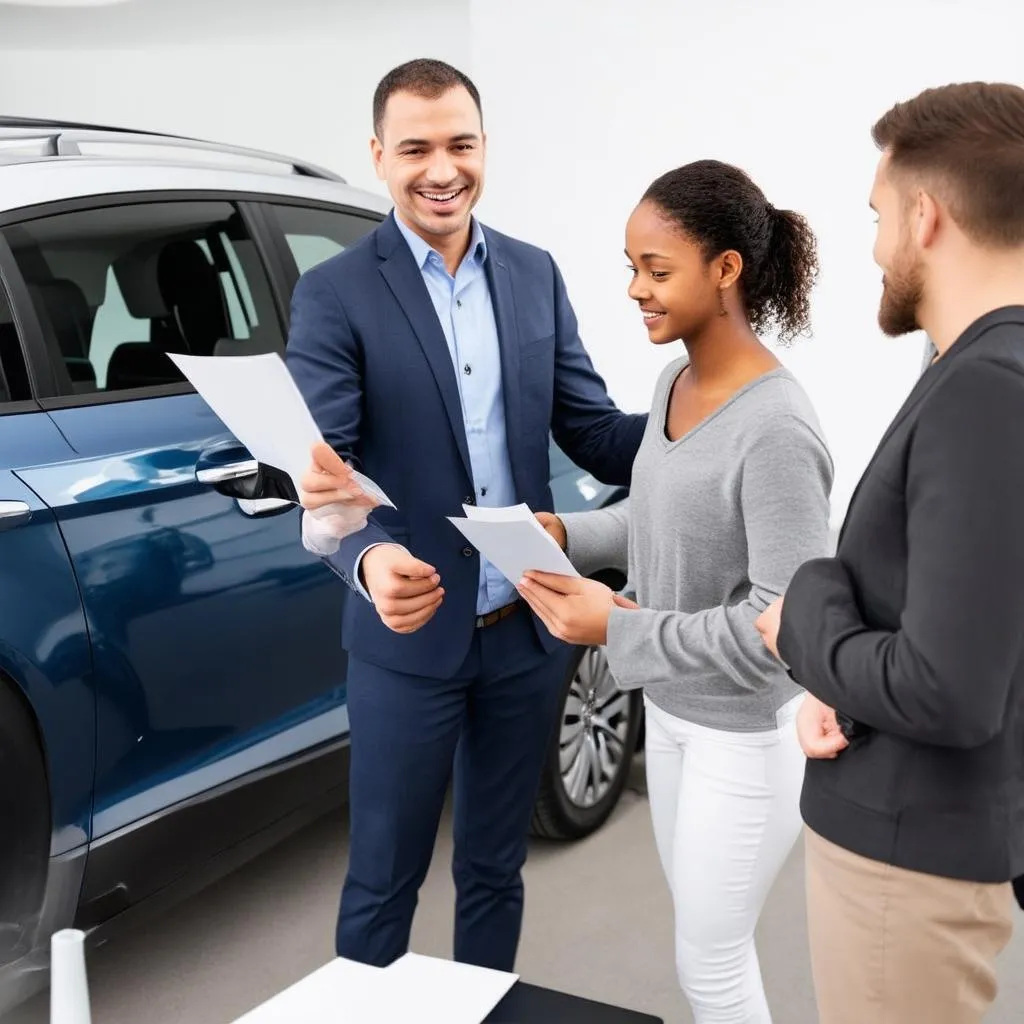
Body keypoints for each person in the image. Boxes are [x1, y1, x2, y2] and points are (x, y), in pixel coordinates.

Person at [285, 58, 646, 972]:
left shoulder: (532, 272)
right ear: (378, 155)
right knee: (383, 881)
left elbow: (597, 432)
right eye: (415, 149)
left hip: (527, 630)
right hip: (410, 638)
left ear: (484, 147)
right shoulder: (336, 294)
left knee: (496, 869)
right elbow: (329, 477)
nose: (440, 169)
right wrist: (368, 561)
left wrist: (709, 412)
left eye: (460, 144)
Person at [517, 160, 833, 1023]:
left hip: (747, 738)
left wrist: (613, 630)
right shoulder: (673, 385)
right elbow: (653, 524)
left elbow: (782, 622)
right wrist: (569, 535)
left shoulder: (776, 430)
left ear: (725, 269)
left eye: (656, 271)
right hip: (674, 720)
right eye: (631, 267)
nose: (634, 290)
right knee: (702, 951)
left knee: (712, 961)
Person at [755, 81, 1024, 1024]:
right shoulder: (989, 373)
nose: (872, 247)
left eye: (877, 217)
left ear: (926, 215)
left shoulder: (988, 390)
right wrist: (840, 630)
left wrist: (804, 620)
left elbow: (947, 686)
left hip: (907, 869)